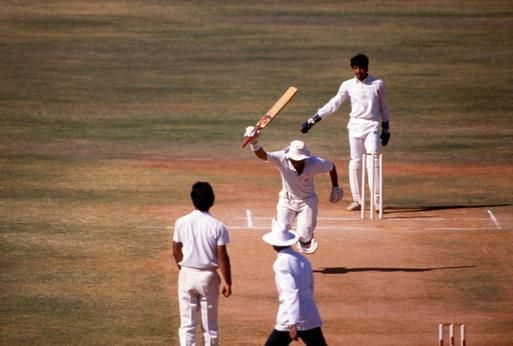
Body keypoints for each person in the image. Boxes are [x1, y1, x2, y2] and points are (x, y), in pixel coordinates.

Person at [300, 53, 391, 212]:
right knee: (355, 162)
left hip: (371, 126)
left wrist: (386, 127)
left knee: (373, 160)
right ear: (352, 69)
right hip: (355, 126)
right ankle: (358, 200)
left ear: (367, 68)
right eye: (356, 68)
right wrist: (313, 120)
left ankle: (377, 201)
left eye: (361, 68)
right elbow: (334, 103)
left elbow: (384, 106)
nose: (359, 71)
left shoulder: (378, 84)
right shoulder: (347, 85)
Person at [243, 127, 343, 254]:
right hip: (287, 200)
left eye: (301, 160)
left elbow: (331, 167)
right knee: (281, 233)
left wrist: (335, 186)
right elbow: (263, 155)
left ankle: (305, 239)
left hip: (307, 201)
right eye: (295, 160)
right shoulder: (281, 158)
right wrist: (254, 142)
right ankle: (280, 226)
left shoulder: (314, 163)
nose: (298, 163)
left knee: (305, 237)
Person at [172, 181, 232, 346]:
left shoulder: (181, 222)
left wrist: (184, 269)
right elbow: (223, 257)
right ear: (212, 200)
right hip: (208, 277)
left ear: (192, 200)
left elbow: (176, 250)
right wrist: (227, 281)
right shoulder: (218, 226)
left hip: (186, 274)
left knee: (187, 324)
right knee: (210, 326)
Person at [262, 219, 327, 346]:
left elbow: (290, 292)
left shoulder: (281, 263)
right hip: (309, 313)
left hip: (290, 318)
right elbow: (310, 286)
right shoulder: (302, 258)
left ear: (274, 244)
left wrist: (293, 322)